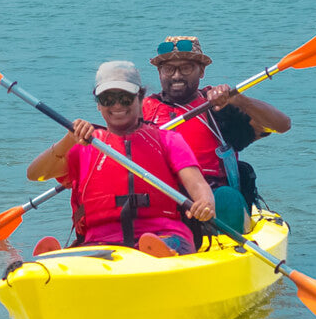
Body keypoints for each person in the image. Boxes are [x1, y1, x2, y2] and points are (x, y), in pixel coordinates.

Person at [27, 60, 216, 255]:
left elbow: (198, 185)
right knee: (84, 253)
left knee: (160, 244)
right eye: (108, 99)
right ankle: (56, 260)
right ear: (98, 105)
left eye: (125, 98)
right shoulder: (84, 147)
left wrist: (205, 203)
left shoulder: (168, 140)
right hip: (100, 241)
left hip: (163, 235)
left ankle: (161, 256)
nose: (117, 105)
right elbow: (35, 174)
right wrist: (67, 140)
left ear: (140, 99)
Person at [141, 36, 291, 227]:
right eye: (169, 69)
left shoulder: (217, 108)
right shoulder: (143, 110)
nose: (177, 76)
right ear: (159, 72)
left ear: (201, 71)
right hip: (164, 200)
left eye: (186, 68)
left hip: (215, 205)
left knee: (226, 197)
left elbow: (282, 125)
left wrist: (239, 100)